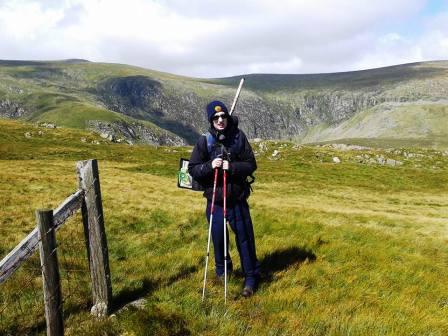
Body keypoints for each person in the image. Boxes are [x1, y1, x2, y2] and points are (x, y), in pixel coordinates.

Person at [188, 100, 260, 297]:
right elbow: (193, 169)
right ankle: (223, 273)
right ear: (211, 121)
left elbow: (251, 164)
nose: (220, 120)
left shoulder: (238, 137)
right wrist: (210, 166)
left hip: (236, 200)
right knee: (219, 239)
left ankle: (251, 278)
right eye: (216, 117)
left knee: (245, 239)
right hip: (215, 202)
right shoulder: (205, 141)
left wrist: (232, 167)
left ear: (227, 117)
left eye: (223, 116)